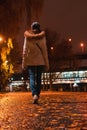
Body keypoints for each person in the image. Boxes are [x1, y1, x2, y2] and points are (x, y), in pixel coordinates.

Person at [22, 22, 49, 104]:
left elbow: (25, 50)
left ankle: (34, 94)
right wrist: (47, 63)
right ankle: (37, 94)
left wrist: (24, 63)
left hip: (31, 61)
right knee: (39, 79)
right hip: (40, 61)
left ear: (31, 28)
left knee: (32, 78)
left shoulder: (27, 37)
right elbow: (44, 50)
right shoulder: (42, 37)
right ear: (39, 28)